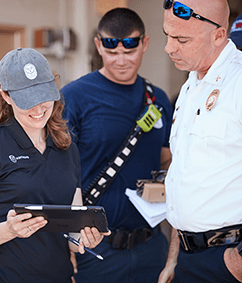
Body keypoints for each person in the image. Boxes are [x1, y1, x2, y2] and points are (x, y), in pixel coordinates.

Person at [0, 47, 109, 283]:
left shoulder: (67, 147)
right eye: (28, 101)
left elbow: (71, 229)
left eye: (44, 97)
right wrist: (9, 230)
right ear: (6, 97)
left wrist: (84, 238)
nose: (39, 109)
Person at [60, 7, 173, 283]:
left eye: (130, 50)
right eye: (111, 51)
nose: (121, 60)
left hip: (151, 246)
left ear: (145, 44)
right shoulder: (74, 97)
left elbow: (167, 159)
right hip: (95, 250)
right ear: (99, 45)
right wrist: (66, 245)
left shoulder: (158, 99)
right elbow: (56, 172)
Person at [160, 0, 242, 282]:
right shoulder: (191, 86)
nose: (169, 47)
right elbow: (184, 179)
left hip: (230, 258)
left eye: (181, 39)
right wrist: (174, 258)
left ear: (219, 35)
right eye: (167, 35)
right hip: (188, 258)